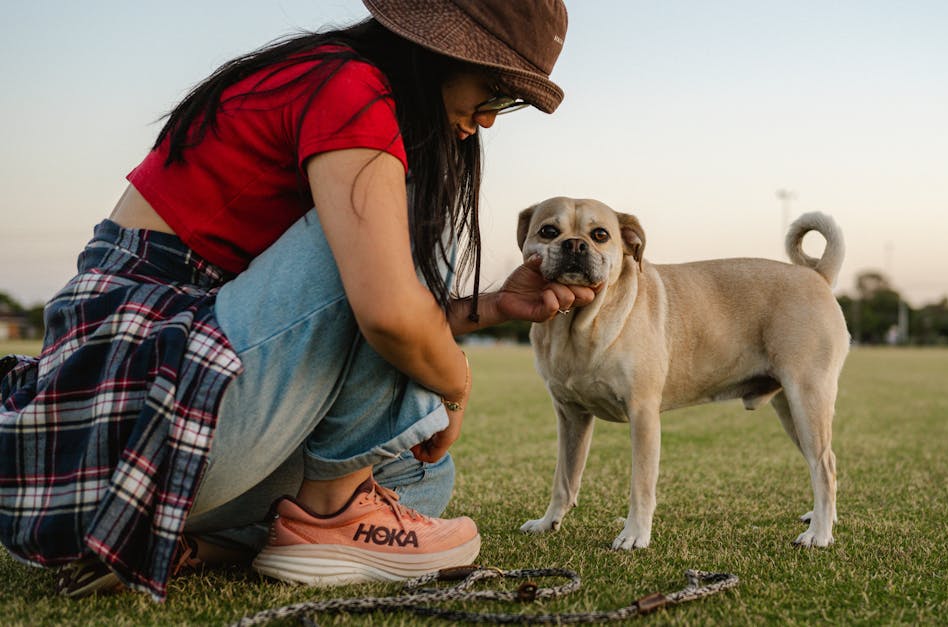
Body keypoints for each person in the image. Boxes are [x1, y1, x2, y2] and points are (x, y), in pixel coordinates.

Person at [0, 0, 593, 601]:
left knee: (421, 474)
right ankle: (332, 513)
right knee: (406, 219)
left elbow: (345, 315)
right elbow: (387, 313)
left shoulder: (330, 79)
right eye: (495, 90)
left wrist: (489, 309)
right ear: (444, 50)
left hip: (147, 433)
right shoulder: (350, 87)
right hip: (114, 420)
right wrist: (454, 380)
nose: (489, 120)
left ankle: (198, 544)